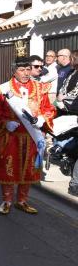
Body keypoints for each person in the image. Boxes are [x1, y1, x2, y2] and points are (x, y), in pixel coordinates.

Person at [0, 56, 56, 215]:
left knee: (28, 170)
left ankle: (22, 201)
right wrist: (5, 123)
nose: (26, 73)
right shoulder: (3, 89)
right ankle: (7, 201)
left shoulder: (40, 88)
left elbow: (49, 109)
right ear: (14, 71)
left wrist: (42, 119)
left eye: (28, 69)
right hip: (10, 137)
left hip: (32, 137)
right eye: (22, 69)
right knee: (9, 168)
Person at [53, 50, 78, 197]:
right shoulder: (71, 73)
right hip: (71, 113)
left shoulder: (71, 73)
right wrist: (62, 102)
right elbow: (63, 94)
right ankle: (75, 184)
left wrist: (62, 100)